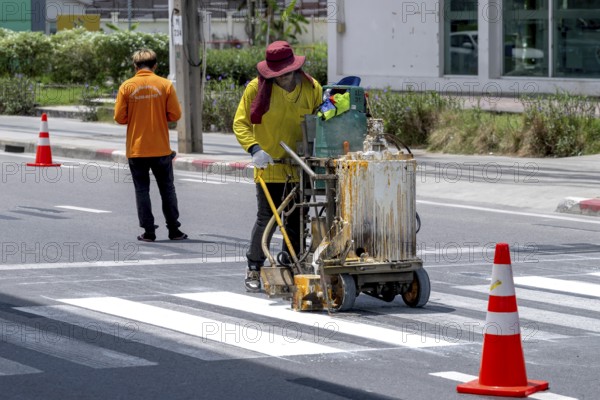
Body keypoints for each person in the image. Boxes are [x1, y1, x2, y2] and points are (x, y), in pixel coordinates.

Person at [233, 41, 323, 292]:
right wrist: (254, 149)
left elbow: (320, 120)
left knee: (295, 220)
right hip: (269, 166)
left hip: (298, 166)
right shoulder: (255, 89)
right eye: (276, 75)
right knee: (267, 219)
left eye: (286, 73)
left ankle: (290, 265)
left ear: (294, 69)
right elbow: (240, 123)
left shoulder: (311, 87)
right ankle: (253, 266)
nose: (282, 79)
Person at [114, 48, 187, 242]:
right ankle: (174, 230)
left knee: (141, 190)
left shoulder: (127, 86)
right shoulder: (164, 85)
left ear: (135, 66)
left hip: (136, 150)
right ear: (155, 65)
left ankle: (149, 232)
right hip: (161, 149)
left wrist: (137, 115)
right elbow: (175, 115)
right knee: (167, 189)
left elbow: (119, 117)